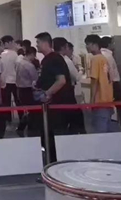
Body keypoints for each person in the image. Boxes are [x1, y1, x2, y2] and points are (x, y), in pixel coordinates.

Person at [35, 32, 74, 160]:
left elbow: (61, 80)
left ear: (45, 43)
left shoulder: (55, 59)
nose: (36, 45)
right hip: (52, 106)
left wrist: (47, 93)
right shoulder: (47, 60)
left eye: (38, 42)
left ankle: (57, 162)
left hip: (58, 106)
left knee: (56, 136)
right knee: (49, 135)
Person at [85, 34, 116, 133]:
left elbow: (94, 81)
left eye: (88, 44)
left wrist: (91, 101)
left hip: (99, 101)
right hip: (108, 100)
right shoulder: (104, 58)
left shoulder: (95, 59)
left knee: (100, 133)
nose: (86, 46)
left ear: (95, 44)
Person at [15, 46, 39, 136]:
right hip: (27, 90)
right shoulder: (29, 65)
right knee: (32, 111)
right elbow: (35, 79)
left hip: (20, 89)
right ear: (32, 54)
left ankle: (21, 128)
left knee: (27, 110)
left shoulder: (19, 63)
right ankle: (29, 129)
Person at [1, 35, 20, 121]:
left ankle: (8, 120)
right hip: (14, 81)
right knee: (18, 101)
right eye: (12, 42)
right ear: (7, 43)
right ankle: (21, 118)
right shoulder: (14, 54)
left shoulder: (1, 54)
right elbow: (17, 67)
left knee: (6, 102)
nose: (13, 44)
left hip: (4, 81)